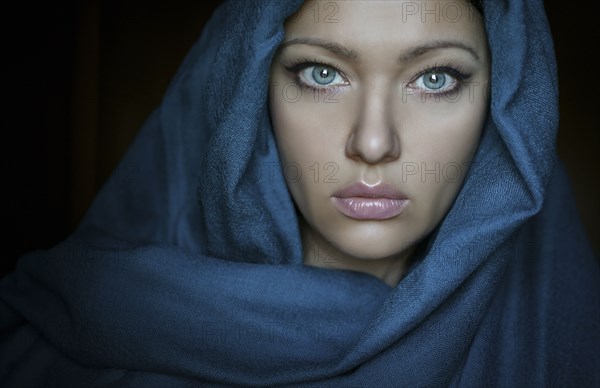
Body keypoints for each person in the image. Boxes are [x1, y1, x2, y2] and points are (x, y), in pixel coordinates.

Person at [0, 0, 598, 386]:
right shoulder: (63, 352)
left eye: (435, 78)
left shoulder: (569, 346)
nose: (372, 141)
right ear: (247, 94)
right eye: (322, 73)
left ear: (503, 114)